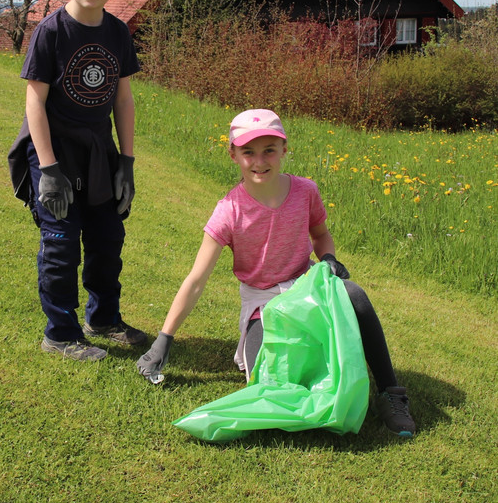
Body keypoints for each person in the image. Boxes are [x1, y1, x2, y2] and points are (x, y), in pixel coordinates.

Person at [137, 109, 416, 437]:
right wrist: (164, 339)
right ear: (233, 154)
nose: (259, 161)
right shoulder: (228, 211)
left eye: (269, 150)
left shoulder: (305, 191)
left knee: (354, 294)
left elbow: (321, 234)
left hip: (305, 287)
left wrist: (327, 258)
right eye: (248, 152)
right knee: (267, 387)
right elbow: (196, 280)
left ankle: (390, 393)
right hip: (263, 303)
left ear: (284, 149)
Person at [9, 0, 147, 361]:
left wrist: (126, 161)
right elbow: (35, 101)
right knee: (61, 243)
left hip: (99, 152)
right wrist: (48, 169)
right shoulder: (51, 31)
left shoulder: (117, 32)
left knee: (108, 237)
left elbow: (123, 99)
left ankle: (103, 318)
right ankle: (61, 333)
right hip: (53, 151)